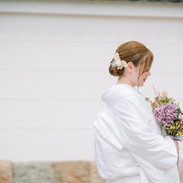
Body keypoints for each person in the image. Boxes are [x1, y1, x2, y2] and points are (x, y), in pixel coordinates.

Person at [93, 41, 180, 183]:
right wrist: (170, 147)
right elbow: (139, 138)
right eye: (146, 67)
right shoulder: (125, 99)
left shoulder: (127, 98)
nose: (149, 73)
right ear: (130, 66)